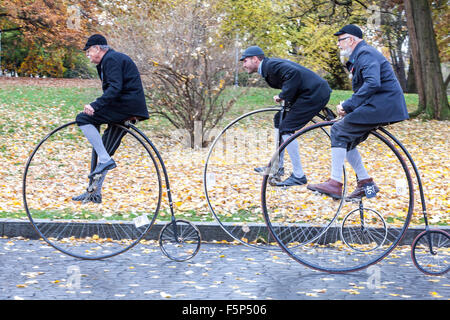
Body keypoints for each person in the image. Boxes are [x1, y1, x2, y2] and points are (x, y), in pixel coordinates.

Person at [307, 24, 409, 200]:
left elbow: (372, 83)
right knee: (346, 138)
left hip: (383, 106)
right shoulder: (360, 56)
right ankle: (367, 184)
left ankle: (335, 183)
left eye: (340, 40)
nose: (338, 44)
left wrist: (348, 105)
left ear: (351, 40)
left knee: (338, 130)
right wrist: (352, 108)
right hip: (379, 105)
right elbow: (368, 87)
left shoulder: (365, 53)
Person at [72, 34, 149, 203]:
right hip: (126, 108)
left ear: (98, 49)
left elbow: (115, 87)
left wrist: (95, 105)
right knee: (104, 148)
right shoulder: (108, 61)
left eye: (89, 51)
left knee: (83, 118)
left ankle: (106, 161)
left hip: (126, 106)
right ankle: (94, 192)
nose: (88, 55)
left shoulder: (111, 59)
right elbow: (114, 89)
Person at [240, 46, 332, 186]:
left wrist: (283, 96)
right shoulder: (268, 68)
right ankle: (277, 166)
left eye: (245, 61)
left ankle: (298, 175)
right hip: (308, 94)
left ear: (255, 59)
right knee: (280, 119)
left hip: (314, 94)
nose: (243, 65)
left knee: (287, 127)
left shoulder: (270, 66)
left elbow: (293, 74)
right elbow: (292, 78)